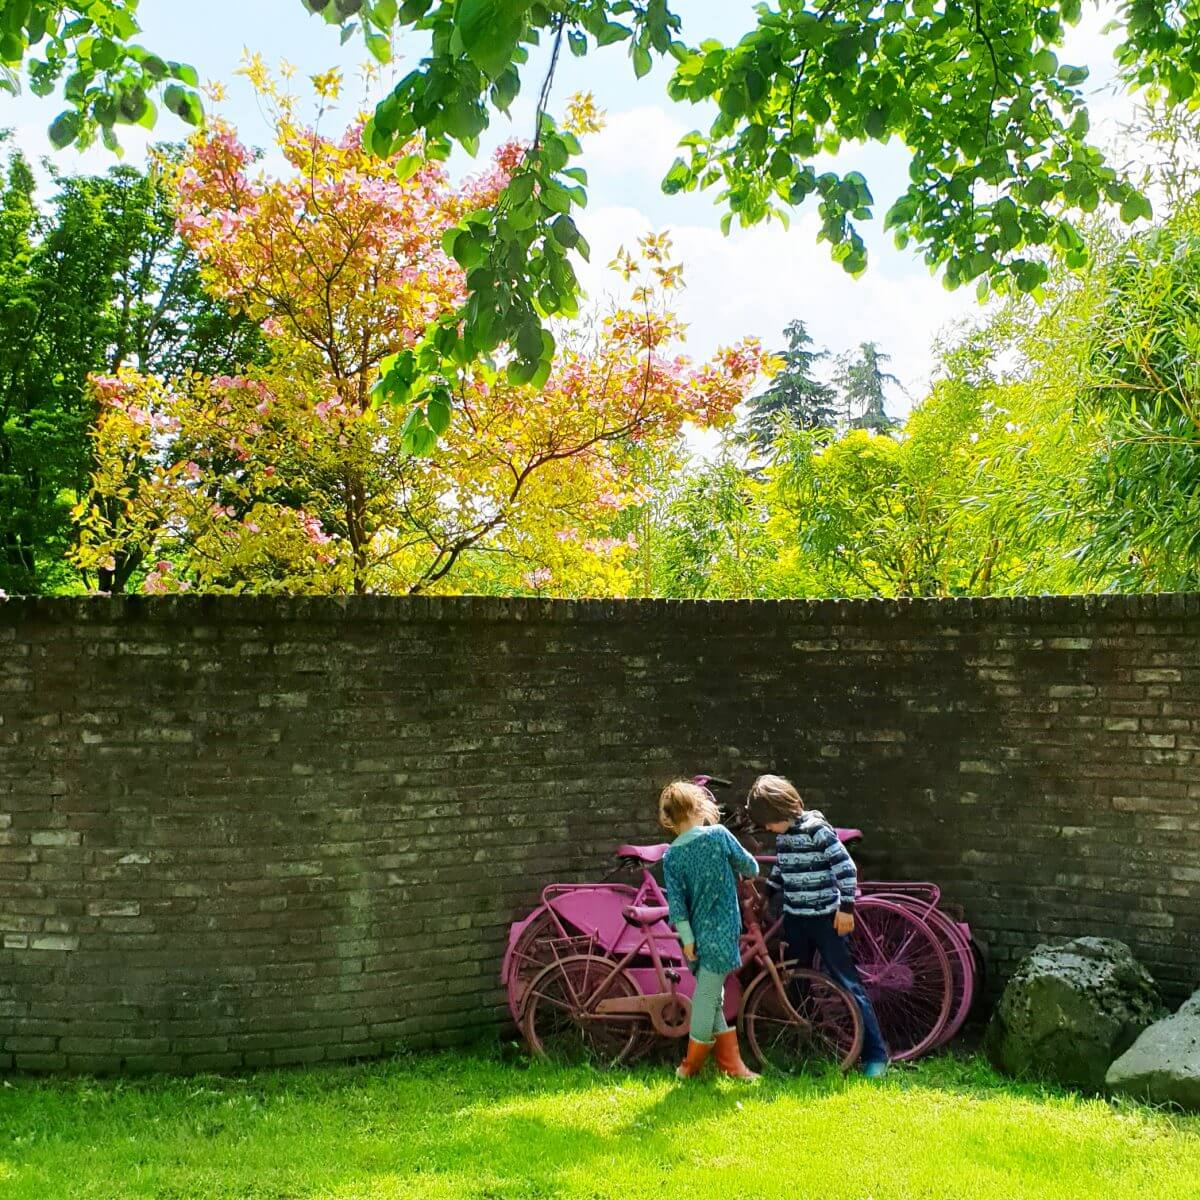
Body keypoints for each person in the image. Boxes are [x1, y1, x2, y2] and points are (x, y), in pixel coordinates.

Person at [746, 773, 889, 1078]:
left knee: (846, 982)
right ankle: (809, 1048)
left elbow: (846, 868)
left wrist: (846, 907)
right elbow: (782, 868)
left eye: (767, 822)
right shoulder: (784, 836)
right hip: (796, 919)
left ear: (779, 811)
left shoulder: (817, 830)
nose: (767, 829)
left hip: (826, 918)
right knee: (798, 982)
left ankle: (876, 1054)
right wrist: (767, 893)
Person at [658, 779, 761, 1080]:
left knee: (711, 995)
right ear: (698, 808)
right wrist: (746, 873)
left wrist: (688, 940)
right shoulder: (718, 835)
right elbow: (751, 866)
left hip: (694, 935)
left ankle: (732, 1066)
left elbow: (676, 904)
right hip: (722, 929)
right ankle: (689, 1068)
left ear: (671, 818)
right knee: (706, 997)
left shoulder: (672, 856)